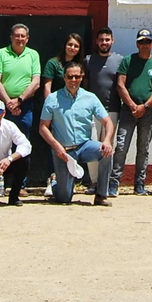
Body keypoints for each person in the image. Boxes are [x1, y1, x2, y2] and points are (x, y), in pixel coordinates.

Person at [40, 61, 115, 206]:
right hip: (64, 151)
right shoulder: (52, 99)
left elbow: (108, 122)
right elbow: (43, 127)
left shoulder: (90, 98)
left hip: (84, 146)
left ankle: (101, 195)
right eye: (70, 77)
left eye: (76, 77)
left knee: (107, 152)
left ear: (82, 77)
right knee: (64, 199)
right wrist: (57, 147)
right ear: (64, 77)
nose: (73, 80)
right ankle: (55, 183)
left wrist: (106, 141)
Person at [0, 24, 42, 200]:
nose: (20, 39)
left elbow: (36, 82)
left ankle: (20, 185)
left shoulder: (33, 54)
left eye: (23, 36)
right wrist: (8, 102)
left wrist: (19, 100)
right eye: (17, 36)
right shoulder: (1, 54)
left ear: (27, 38)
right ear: (11, 37)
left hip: (25, 105)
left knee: (22, 144)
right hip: (3, 105)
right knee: (1, 142)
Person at [111, 30, 152, 196]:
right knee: (121, 146)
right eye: (141, 42)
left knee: (143, 148)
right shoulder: (128, 61)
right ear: (137, 44)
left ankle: (139, 184)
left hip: (148, 112)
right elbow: (120, 85)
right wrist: (133, 105)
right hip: (128, 110)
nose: (144, 45)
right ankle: (114, 183)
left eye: (147, 42)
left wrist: (146, 106)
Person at [84, 26, 126, 141]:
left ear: (112, 40)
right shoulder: (88, 60)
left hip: (112, 109)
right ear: (96, 41)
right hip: (92, 110)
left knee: (107, 145)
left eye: (107, 40)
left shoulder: (120, 60)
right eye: (101, 40)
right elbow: (85, 85)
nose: (104, 42)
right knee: (92, 145)